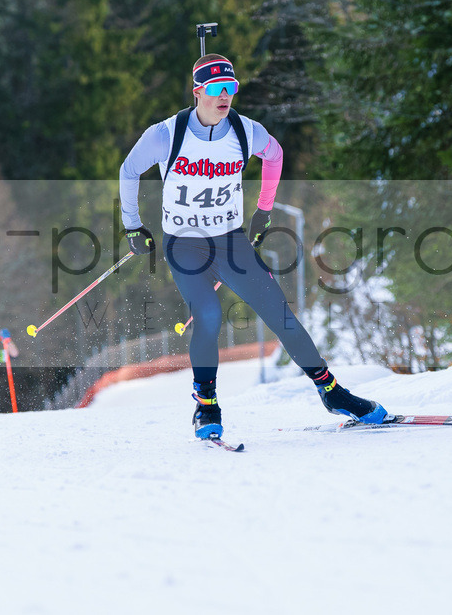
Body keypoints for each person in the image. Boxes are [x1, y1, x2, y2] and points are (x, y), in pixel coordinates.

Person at [118, 53, 390, 439]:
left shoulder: (245, 132)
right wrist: (133, 226)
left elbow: (275, 156)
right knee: (208, 315)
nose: (226, 95)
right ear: (198, 92)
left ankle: (333, 392)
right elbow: (129, 170)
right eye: (217, 89)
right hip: (185, 245)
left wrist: (263, 211)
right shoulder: (166, 135)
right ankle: (207, 405)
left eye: (232, 87)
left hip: (230, 243)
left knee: (281, 316)